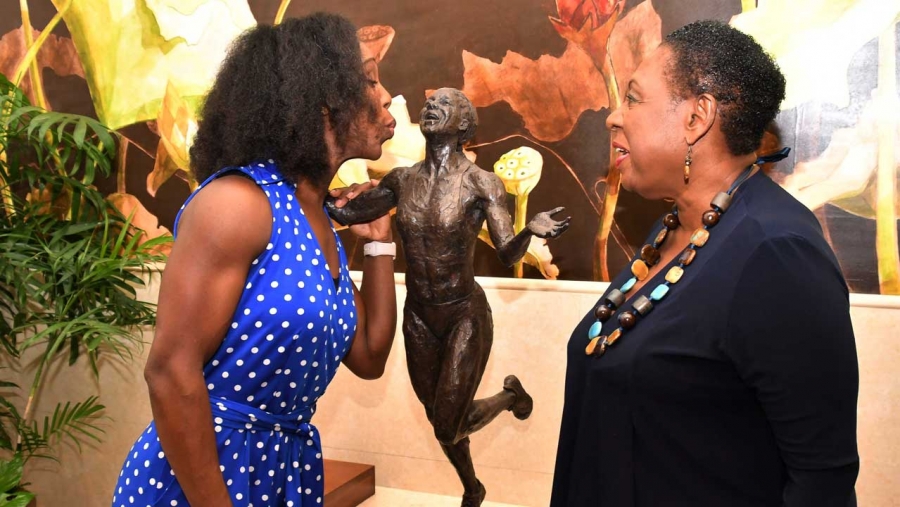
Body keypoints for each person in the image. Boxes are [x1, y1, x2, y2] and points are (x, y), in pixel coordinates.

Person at [551, 20, 859, 507]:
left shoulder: (776, 252)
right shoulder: (678, 228)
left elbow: (822, 479)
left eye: (633, 98)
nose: (613, 116)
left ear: (697, 118)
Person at [112, 13, 398, 507]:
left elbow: (370, 357)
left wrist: (378, 244)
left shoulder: (317, 219)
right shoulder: (239, 203)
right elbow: (170, 371)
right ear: (325, 97)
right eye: (370, 79)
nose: (386, 95)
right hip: (202, 480)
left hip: (283, 474)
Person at [325, 87, 569, 506]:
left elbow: (508, 251)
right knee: (442, 416)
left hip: (463, 315)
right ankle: (473, 488)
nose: (433, 106)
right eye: (431, 104)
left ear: (464, 125)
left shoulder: (481, 182)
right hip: (419, 315)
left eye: (446, 104)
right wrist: (312, 183)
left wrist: (531, 231)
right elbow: (348, 215)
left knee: (444, 424)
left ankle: (510, 396)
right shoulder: (402, 180)